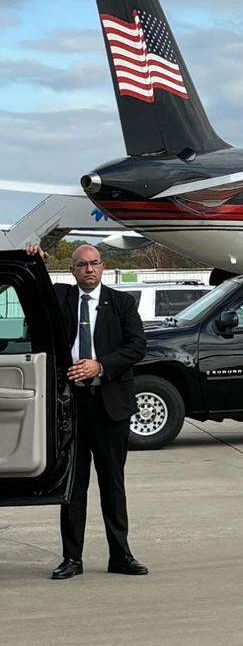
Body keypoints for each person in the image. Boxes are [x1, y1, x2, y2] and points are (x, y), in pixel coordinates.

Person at [26, 242, 148, 580]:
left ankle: (121, 555)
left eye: (94, 263)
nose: (89, 269)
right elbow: (36, 290)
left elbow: (137, 346)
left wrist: (100, 366)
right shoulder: (63, 299)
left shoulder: (122, 303)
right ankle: (72, 559)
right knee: (73, 487)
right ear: (73, 270)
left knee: (112, 484)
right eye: (81, 265)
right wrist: (35, 257)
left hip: (110, 407)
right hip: (71, 409)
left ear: (103, 266)